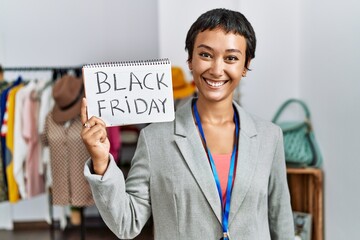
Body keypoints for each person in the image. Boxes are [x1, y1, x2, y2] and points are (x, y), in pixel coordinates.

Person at [81, 8, 294, 240]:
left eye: (231, 58)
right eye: (205, 55)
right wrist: (101, 162)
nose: (216, 69)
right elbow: (126, 222)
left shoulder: (269, 137)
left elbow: (280, 219)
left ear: (245, 66)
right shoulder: (155, 139)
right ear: (190, 60)